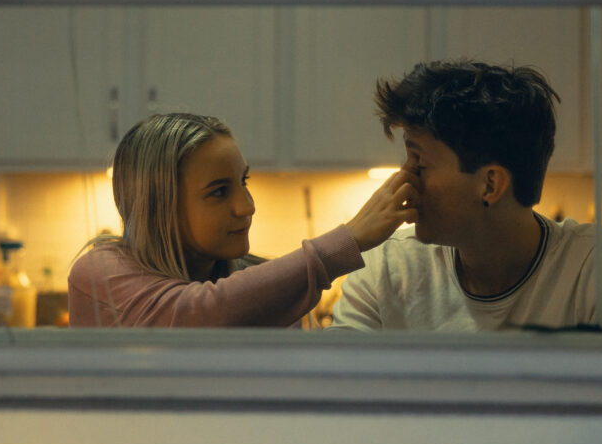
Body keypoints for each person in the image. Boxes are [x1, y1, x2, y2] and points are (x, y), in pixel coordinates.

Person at [327, 60, 602, 334]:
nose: (404, 178)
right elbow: (332, 385)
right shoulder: (385, 269)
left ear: (490, 185)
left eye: (419, 162)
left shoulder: (601, 266)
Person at [68, 113, 419, 327]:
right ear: (158, 206)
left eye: (243, 182)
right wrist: (346, 242)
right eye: (220, 192)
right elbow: (198, 314)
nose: (246, 206)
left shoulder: (264, 288)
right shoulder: (98, 273)